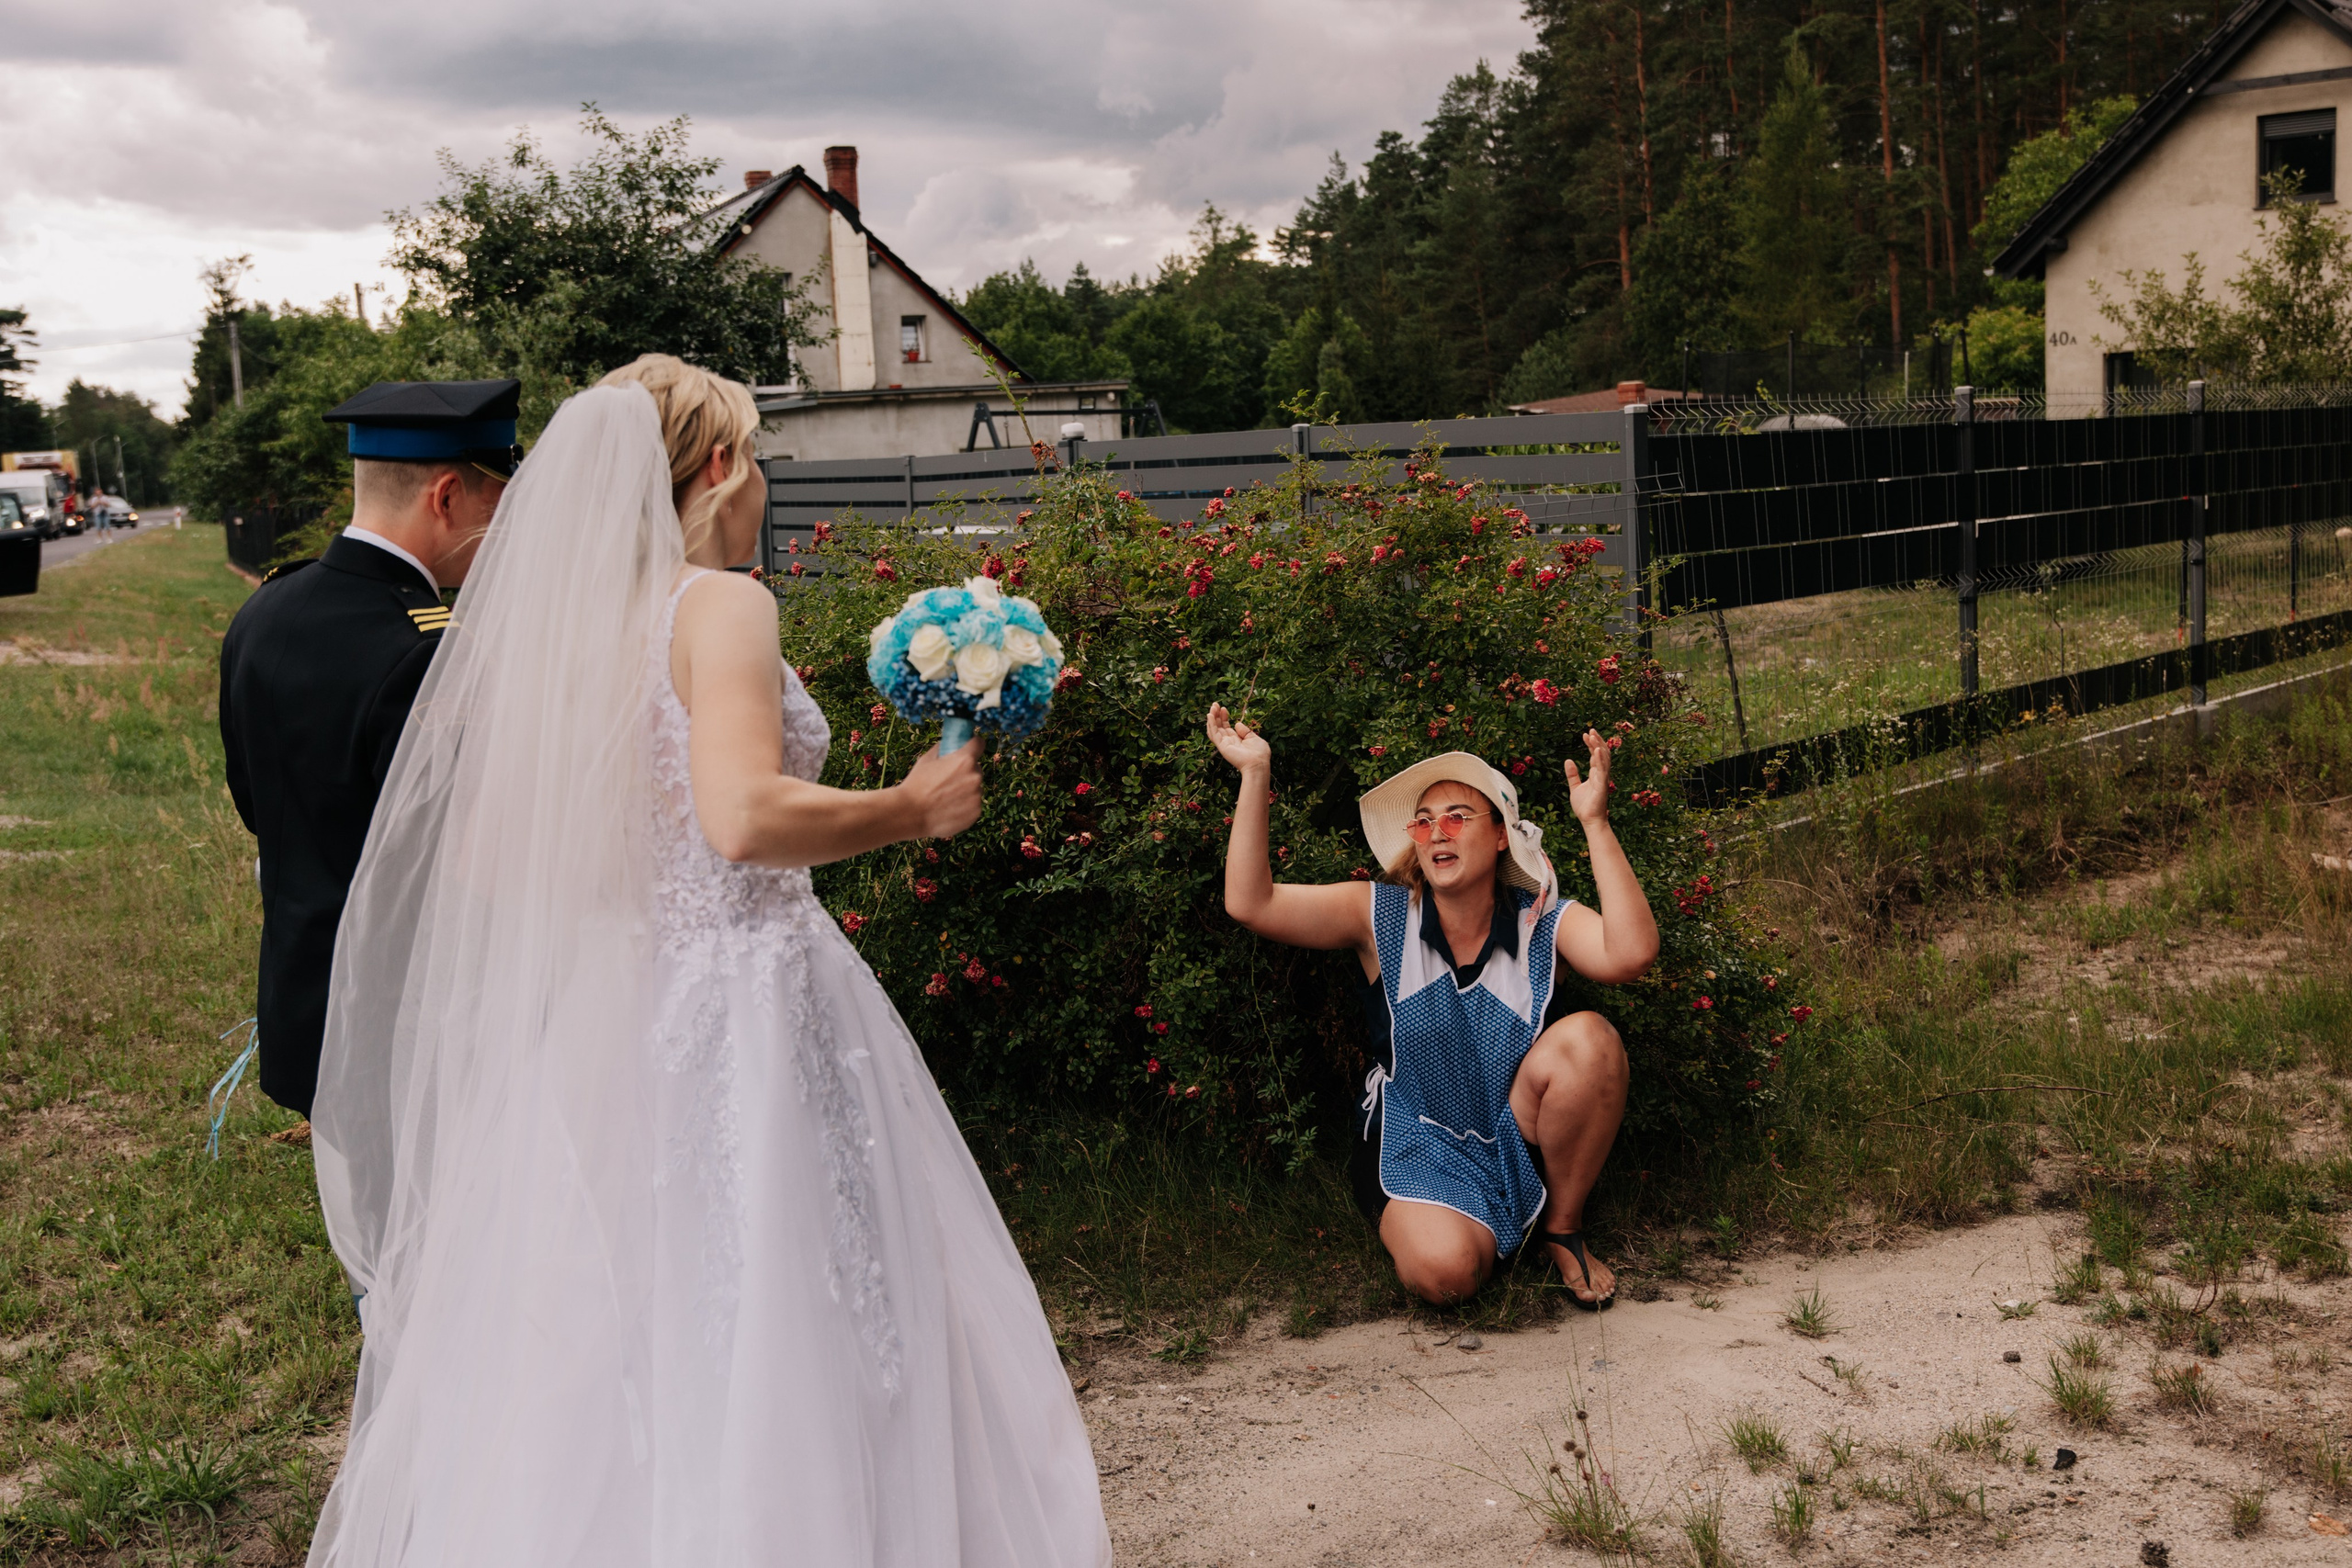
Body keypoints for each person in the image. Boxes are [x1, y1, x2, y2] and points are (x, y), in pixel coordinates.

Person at [307, 357, 1110, 1566]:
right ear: (723, 465)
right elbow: (740, 819)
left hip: (612, 1013)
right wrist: (908, 803)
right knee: (794, 1307)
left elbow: (484, 855)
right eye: (761, 454)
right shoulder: (720, 604)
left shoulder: (561, 629)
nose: (766, 484)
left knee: (632, 1331)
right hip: (745, 1000)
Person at [1206, 705, 1658, 1309]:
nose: (1436, 831)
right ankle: (1474, 1230)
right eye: (1422, 823)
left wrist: (1596, 822)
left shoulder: (1538, 918)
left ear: (1501, 834)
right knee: (1445, 1274)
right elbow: (1250, 902)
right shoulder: (1379, 913)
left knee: (1592, 1041)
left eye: (1456, 816)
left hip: (1507, 1128)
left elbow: (1630, 954)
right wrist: (1255, 772)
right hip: (1411, 1142)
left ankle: (1559, 1226)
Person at [219, 378, 520, 1121]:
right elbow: (462, 864)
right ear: (447, 496)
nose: (503, 528)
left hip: (303, 1000)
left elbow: (257, 804)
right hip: (411, 1021)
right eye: (496, 504)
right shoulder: (424, 650)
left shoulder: (264, 607)